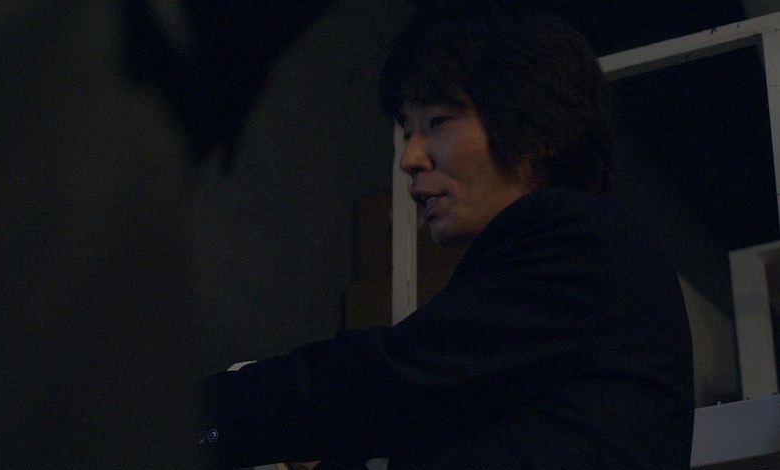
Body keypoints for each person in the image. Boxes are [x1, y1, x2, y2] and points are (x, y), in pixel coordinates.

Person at [198, 2, 695, 469]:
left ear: (542, 130)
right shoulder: (553, 281)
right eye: (406, 131)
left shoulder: (578, 238)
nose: (410, 158)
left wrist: (200, 414)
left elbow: (393, 378)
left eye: (437, 121)